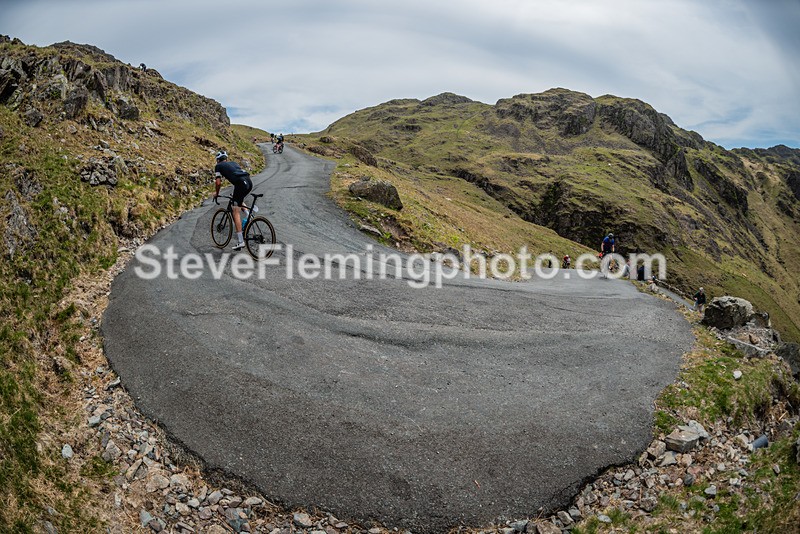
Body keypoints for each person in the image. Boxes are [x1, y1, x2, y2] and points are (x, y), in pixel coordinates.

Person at [213, 150, 252, 250]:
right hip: (248, 182)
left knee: (235, 211)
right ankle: (249, 216)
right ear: (226, 159)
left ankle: (240, 241)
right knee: (237, 199)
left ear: (217, 160)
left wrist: (216, 194)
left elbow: (218, 183)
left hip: (240, 184)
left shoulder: (218, 166)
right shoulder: (233, 163)